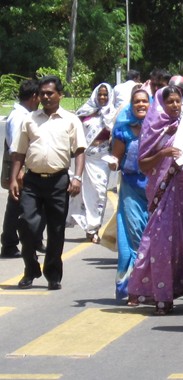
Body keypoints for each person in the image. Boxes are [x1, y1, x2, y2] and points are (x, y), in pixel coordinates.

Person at [127, 86, 183, 314]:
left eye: (178, 101)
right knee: (161, 242)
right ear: (161, 103)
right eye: (170, 102)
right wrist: (162, 154)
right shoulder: (153, 129)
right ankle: (162, 296)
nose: (175, 106)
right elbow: (143, 164)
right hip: (162, 190)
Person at [9, 75, 87, 290]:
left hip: (58, 181)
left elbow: (80, 151)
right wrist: (15, 178)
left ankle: (53, 274)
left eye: (49, 93)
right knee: (26, 224)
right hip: (32, 181)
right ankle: (30, 268)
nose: (45, 97)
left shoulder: (71, 120)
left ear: (60, 95)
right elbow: (19, 152)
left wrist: (77, 178)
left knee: (56, 230)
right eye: (42, 93)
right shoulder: (29, 119)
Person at [111, 89, 151, 301]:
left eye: (145, 101)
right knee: (137, 238)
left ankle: (151, 287)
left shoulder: (158, 129)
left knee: (154, 239)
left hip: (156, 190)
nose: (141, 105)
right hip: (131, 189)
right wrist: (113, 162)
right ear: (131, 105)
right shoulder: (124, 131)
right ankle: (132, 288)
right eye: (137, 102)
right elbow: (116, 158)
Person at [68, 83, 116, 243]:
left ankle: (94, 226)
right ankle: (88, 227)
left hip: (102, 158)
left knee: (99, 192)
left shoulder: (113, 114)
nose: (102, 98)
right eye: (100, 94)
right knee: (83, 192)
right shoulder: (85, 112)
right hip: (86, 157)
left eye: (105, 95)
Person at [2, 80, 40, 259]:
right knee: (18, 206)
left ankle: (28, 240)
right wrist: (19, 172)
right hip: (20, 167)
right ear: (34, 97)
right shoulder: (20, 117)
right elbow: (17, 147)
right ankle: (10, 243)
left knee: (17, 206)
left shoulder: (23, 114)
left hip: (21, 166)